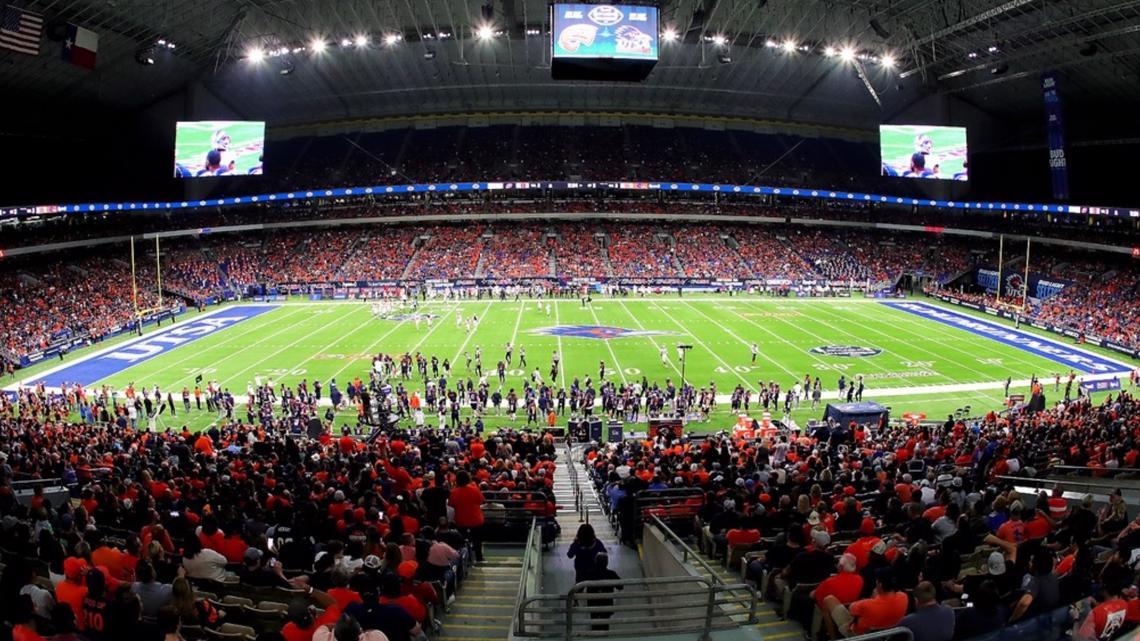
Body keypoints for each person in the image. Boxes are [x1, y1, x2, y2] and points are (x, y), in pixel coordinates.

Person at [821, 569, 908, 638]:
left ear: (880, 585)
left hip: (860, 636)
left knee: (828, 599)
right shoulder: (904, 597)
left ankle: (833, 638)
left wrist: (873, 598)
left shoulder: (867, 604)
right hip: (887, 634)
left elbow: (851, 609)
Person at [449, 470, 485, 562]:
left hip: (461, 520)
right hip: (476, 519)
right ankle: (479, 558)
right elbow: (481, 501)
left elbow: (451, 504)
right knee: (477, 541)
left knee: (462, 541)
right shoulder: (475, 489)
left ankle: (465, 560)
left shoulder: (454, 492)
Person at [580, 553, 622, 632]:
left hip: (593, 603)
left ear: (595, 562)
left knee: (594, 620)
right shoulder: (611, 574)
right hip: (607, 603)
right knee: (605, 623)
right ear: (607, 563)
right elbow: (620, 586)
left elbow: (580, 587)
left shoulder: (589, 573)